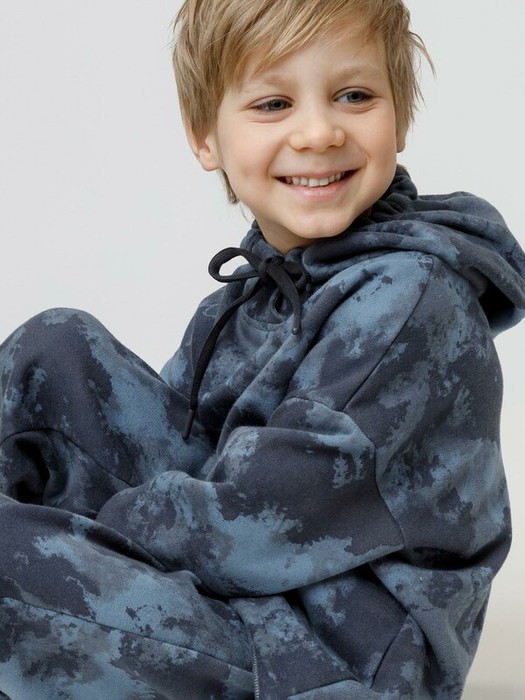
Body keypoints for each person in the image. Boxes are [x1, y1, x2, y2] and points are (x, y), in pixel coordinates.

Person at [0, 0, 524, 697]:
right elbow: (192, 459)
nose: (318, 132)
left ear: (399, 116)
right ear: (205, 138)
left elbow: (255, 520)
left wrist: (74, 534)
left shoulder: (407, 302)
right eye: (274, 103)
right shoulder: (252, 295)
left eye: (354, 95)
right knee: (54, 348)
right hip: (244, 588)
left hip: (334, 658)